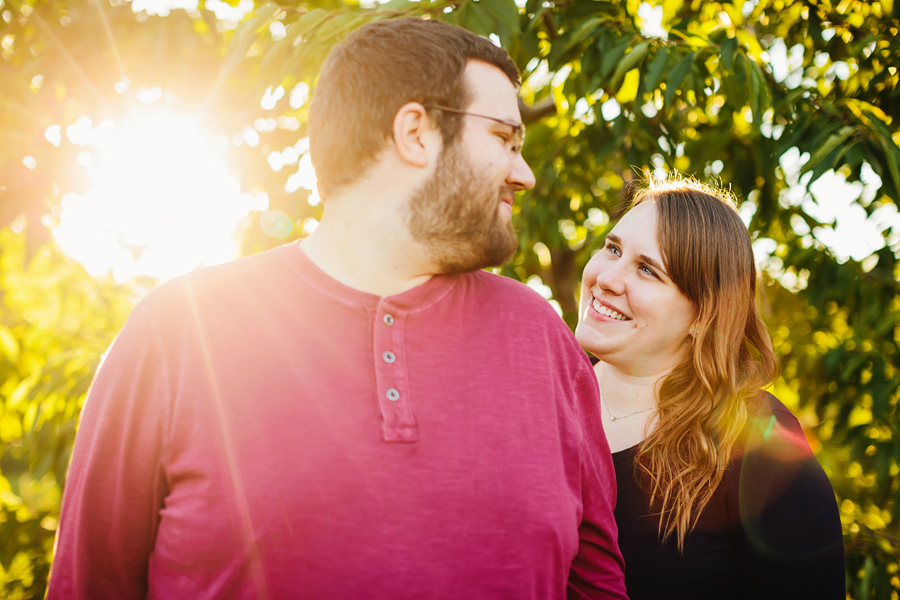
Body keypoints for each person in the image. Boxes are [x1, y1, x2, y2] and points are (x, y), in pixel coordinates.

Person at [47, 17, 628, 600]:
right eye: (505, 138)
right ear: (416, 132)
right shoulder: (176, 332)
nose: (524, 174)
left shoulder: (542, 339)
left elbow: (598, 587)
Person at [575, 176, 845, 599]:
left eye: (647, 270)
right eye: (612, 249)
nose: (606, 278)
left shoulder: (760, 444)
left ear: (704, 313)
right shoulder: (542, 398)